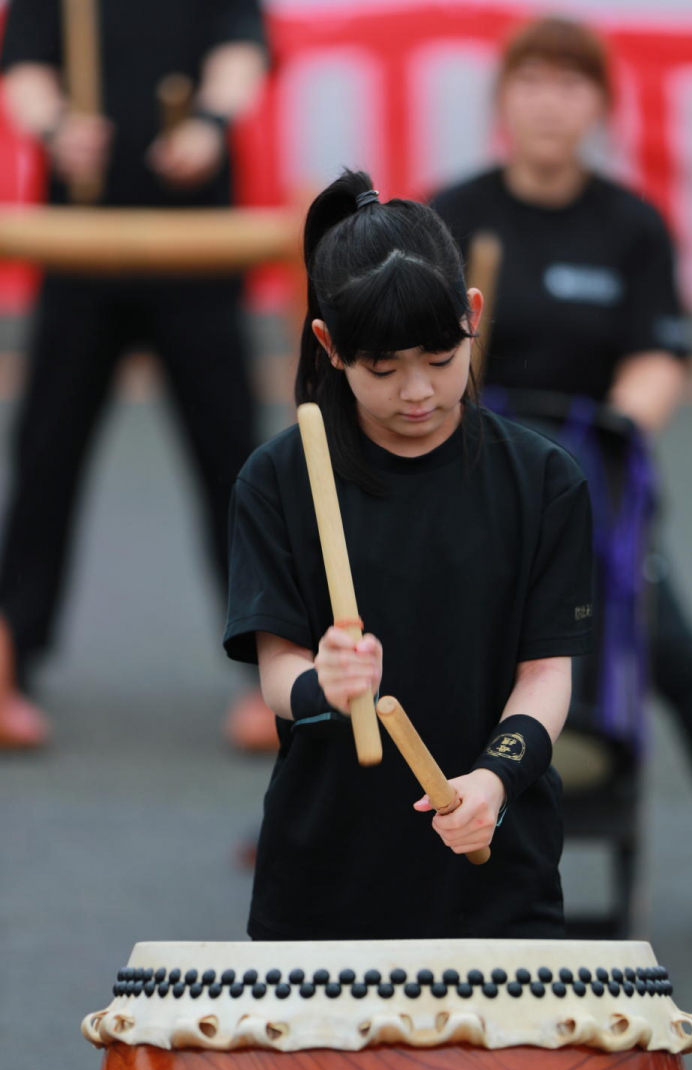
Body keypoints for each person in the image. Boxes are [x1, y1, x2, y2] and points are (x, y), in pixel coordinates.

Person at [431, 15, 692, 939]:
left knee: (675, 653)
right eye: (531, 82)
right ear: (502, 100)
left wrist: (615, 430)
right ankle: (316, 829)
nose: (549, 103)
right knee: (402, 646)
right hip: (466, 469)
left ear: (599, 104)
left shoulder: (630, 225)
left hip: (587, 477)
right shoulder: (451, 215)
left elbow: (659, 356)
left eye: (570, 83)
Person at [223, 169, 594, 941]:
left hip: (497, 864)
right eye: (384, 369)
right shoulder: (279, 479)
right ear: (330, 347)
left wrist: (495, 778)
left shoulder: (544, 480)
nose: (418, 391)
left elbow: (545, 673)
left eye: (440, 356)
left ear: (473, 315)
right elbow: (278, 674)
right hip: (325, 872)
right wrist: (324, 683)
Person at [0, 0, 278, 751]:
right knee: (45, 455)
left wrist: (208, 125)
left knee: (234, 464)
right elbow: (23, 68)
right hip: (80, 246)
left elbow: (242, 51)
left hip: (196, 246)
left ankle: (273, 667)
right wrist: (57, 129)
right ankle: (11, 656)